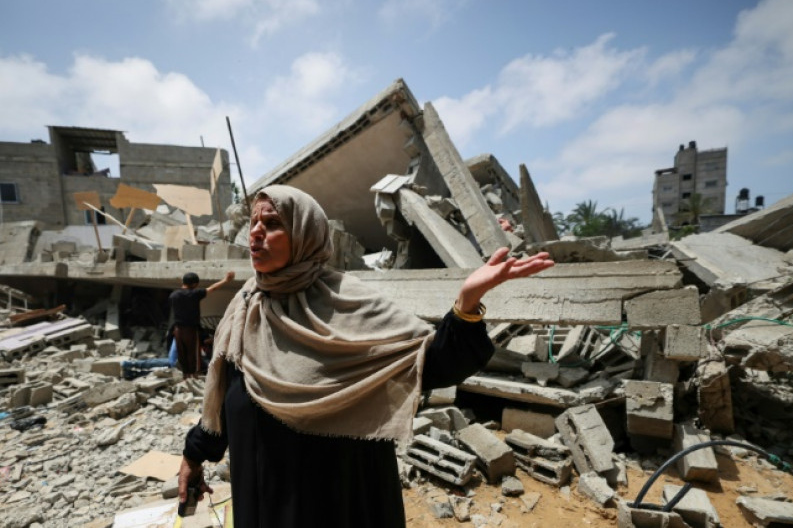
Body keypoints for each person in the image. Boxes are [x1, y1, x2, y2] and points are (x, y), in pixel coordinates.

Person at [177, 186, 554, 527]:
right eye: (254, 223)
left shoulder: (348, 303)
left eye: (272, 223)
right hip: (262, 498)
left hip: (335, 500)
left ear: (305, 235)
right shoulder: (245, 307)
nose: (255, 232)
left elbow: (432, 363)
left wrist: (466, 304)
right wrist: (194, 455)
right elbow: (225, 395)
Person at [169, 270, 235, 378]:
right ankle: (193, 376)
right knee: (193, 354)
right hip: (190, 330)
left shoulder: (173, 295)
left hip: (177, 330)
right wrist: (226, 280)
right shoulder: (195, 294)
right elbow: (212, 288)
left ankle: (185, 376)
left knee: (182, 353)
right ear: (195, 284)